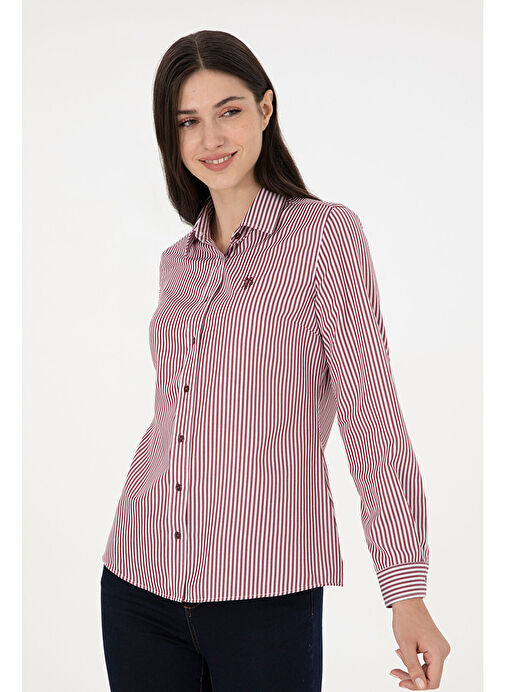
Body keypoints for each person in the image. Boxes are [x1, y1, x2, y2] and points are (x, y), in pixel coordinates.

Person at [100, 29, 451, 692]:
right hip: (137, 584)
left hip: (264, 592)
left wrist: (405, 590)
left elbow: (370, 417)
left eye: (228, 111)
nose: (210, 138)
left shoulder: (325, 237)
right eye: (187, 121)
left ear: (265, 108)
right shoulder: (176, 263)